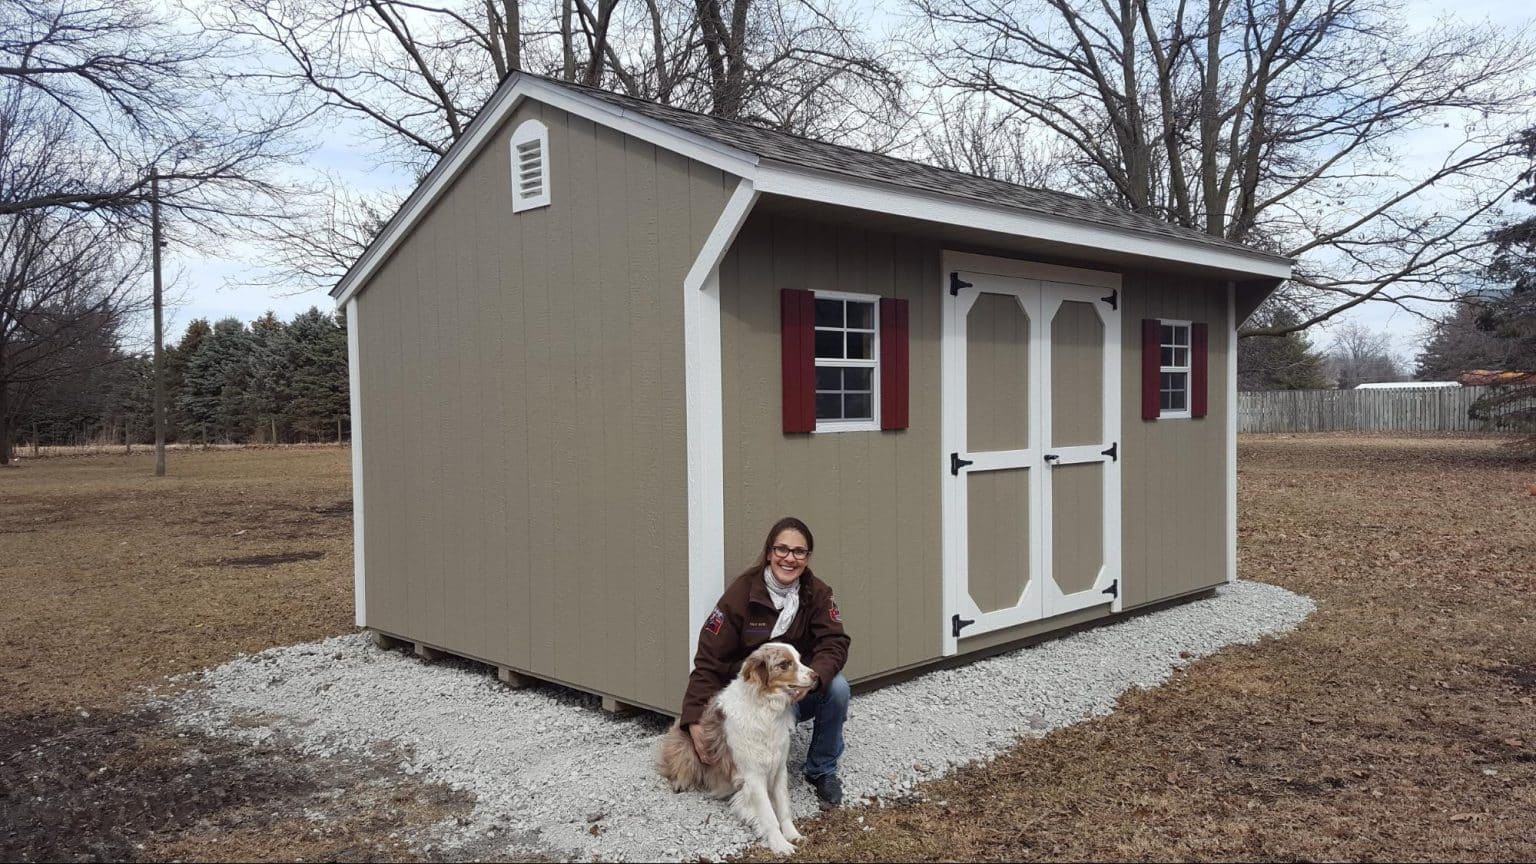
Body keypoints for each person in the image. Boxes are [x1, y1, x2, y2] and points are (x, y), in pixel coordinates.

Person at [678, 516, 852, 808]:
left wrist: (815, 679)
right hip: (749, 698)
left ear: (807, 558)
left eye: (799, 552)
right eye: (781, 549)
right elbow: (709, 657)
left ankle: (821, 769)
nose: (789, 558)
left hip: (795, 692)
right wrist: (694, 719)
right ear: (769, 552)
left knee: (838, 688)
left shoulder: (819, 594)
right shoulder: (740, 593)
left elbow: (835, 643)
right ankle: (750, 772)